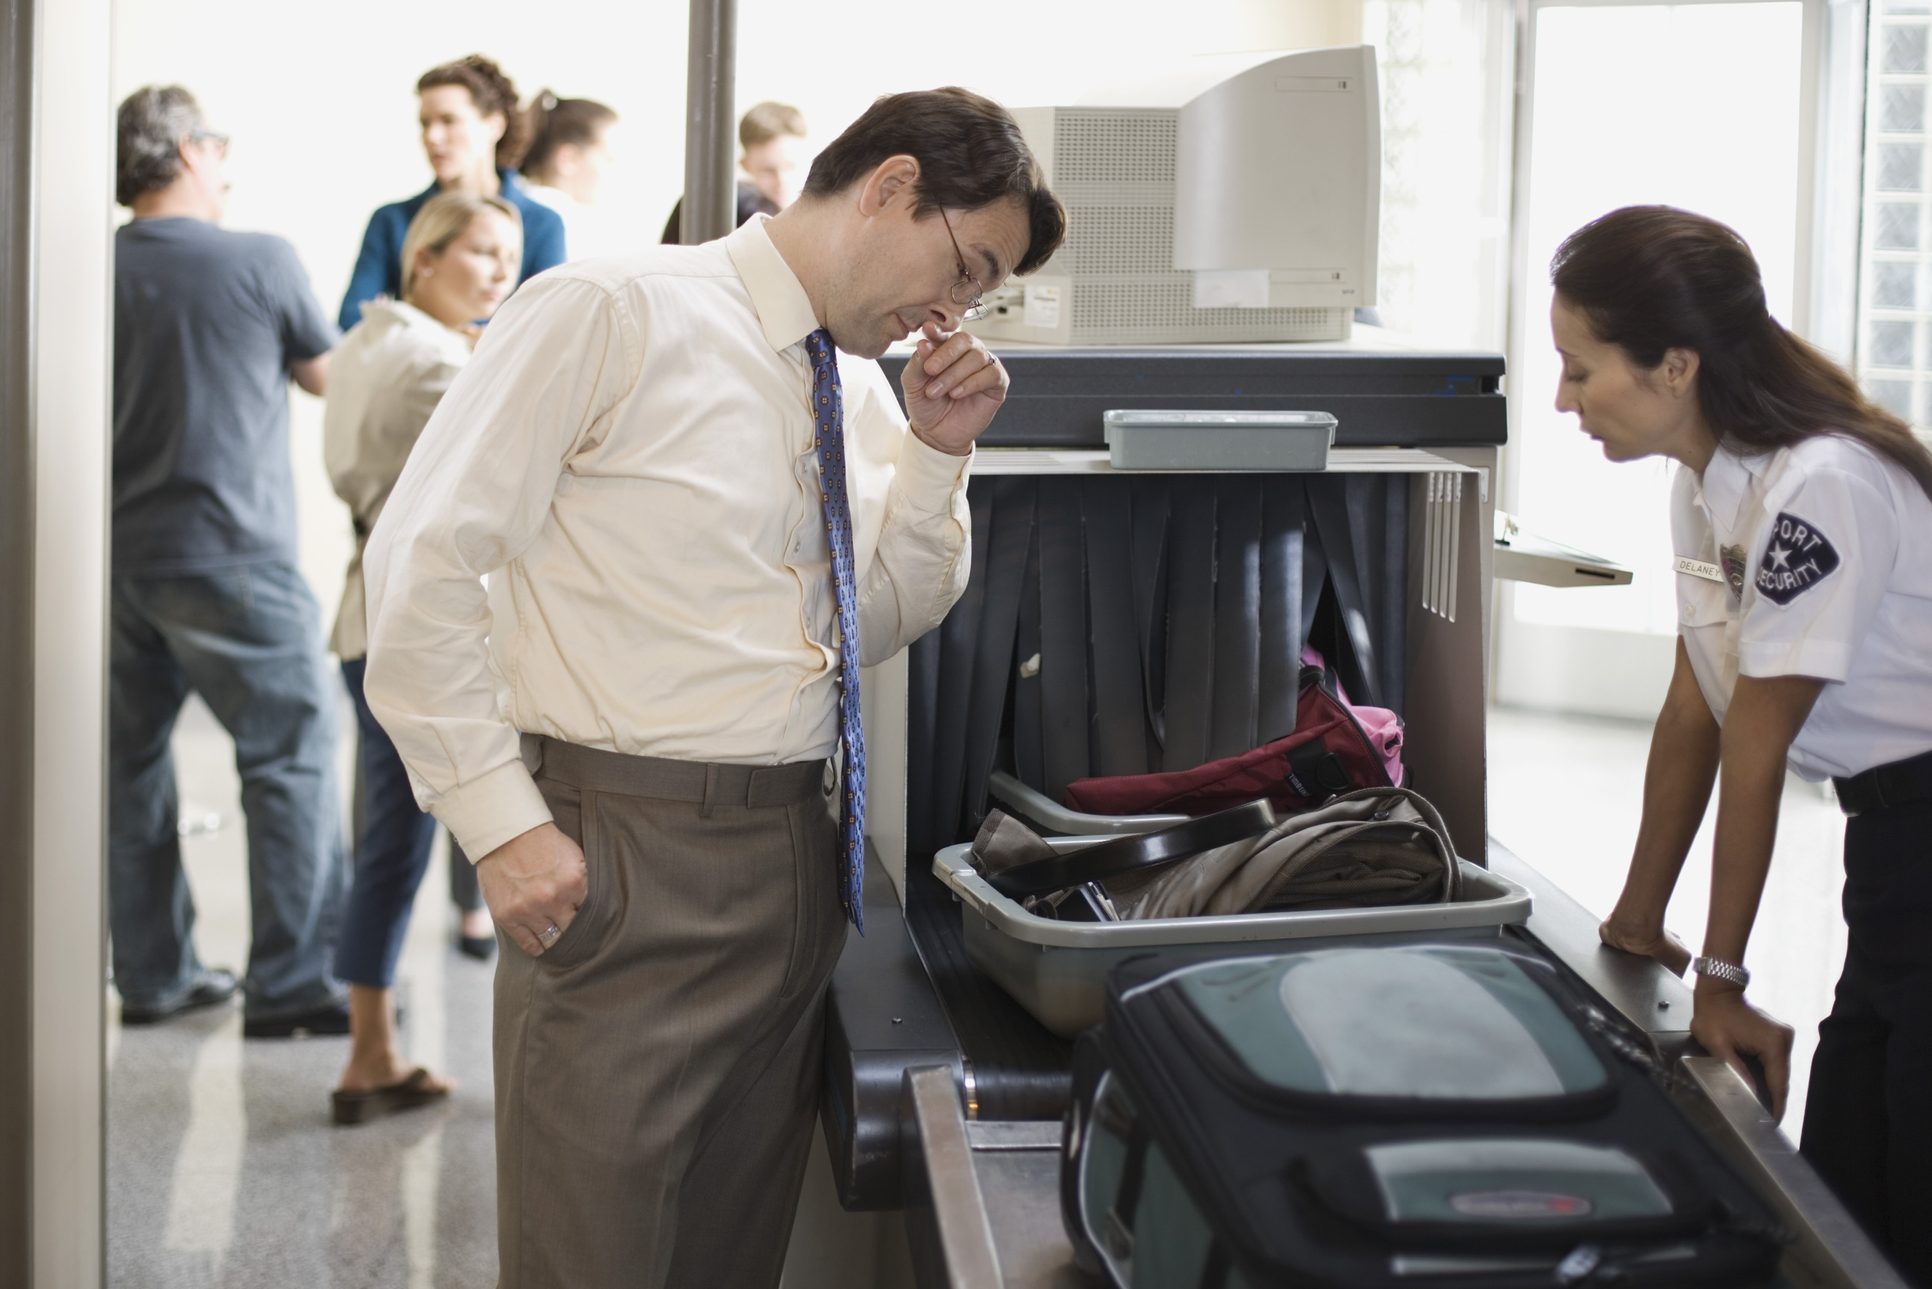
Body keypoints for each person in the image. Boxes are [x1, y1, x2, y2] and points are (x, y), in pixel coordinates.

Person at [362, 86, 1065, 1288]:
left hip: (794, 856)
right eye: (966, 265)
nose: (952, 311)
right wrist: (499, 821)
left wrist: (939, 456)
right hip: (620, 855)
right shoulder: (611, 310)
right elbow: (422, 561)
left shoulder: (851, 386)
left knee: (728, 1256)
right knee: (589, 1254)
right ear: (892, 186)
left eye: (983, 295)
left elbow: (875, 621)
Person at [1554, 205, 1932, 1286]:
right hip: (1894, 840)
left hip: (1922, 823)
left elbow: (1758, 745)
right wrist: (1635, 917)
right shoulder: (1706, 484)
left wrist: (1720, 978)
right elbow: (1696, 715)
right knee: (1849, 1189)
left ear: (1674, 363)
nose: (1563, 399)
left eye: (1580, 370)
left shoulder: (1820, 484)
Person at [110, 86, 350, 1037]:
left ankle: (155, 976)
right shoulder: (260, 258)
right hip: (235, 558)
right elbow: (330, 378)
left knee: (128, 770)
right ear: (192, 151)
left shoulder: (80, 267)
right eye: (221, 147)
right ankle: (292, 985)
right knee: (290, 761)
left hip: (114, 564)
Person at [324, 193, 522, 1123]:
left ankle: (370, 1049)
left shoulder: (369, 342)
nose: (498, 272)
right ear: (424, 259)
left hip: (367, 616)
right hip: (420, 627)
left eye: (508, 255)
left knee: (389, 851)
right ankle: (528, 1065)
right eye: (480, 253)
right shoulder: (437, 362)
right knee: (513, 835)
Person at [338, 55, 565, 333]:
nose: (432, 137)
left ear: (494, 126)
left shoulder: (543, 224)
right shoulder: (392, 220)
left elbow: (549, 327)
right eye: (425, 123)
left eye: (449, 121)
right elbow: (352, 322)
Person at [660, 99, 808, 244]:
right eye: (767, 171)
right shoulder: (713, 209)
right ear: (744, 165)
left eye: (790, 167)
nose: (782, 182)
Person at [520, 92, 624, 260]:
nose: (614, 170)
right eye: (608, 159)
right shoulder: (566, 223)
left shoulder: (520, 205)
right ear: (568, 159)